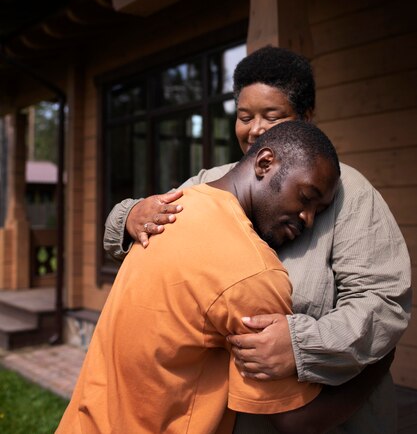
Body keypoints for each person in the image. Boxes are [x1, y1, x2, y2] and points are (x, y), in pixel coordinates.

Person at [104, 46, 411, 434]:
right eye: (245, 116)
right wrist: (129, 216)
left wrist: (302, 345)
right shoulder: (207, 184)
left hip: (337, 414)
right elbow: (152, 241)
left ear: (305, 120)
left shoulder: (351, 194)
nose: (255, 129)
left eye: (272, 115)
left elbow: (382, 301)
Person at [57, 121, 390, 434]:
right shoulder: (254, 272)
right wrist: (378, 362)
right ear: (265, 163)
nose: (308, 218)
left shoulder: (169, 210)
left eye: (319, 209)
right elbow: (294, 422)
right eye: (306, 197)